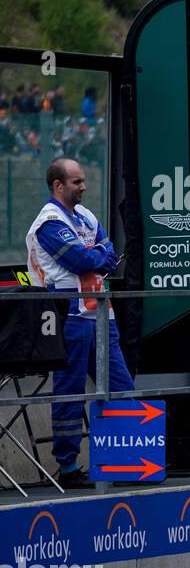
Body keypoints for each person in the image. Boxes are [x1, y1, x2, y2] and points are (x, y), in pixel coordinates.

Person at [27, 159, 135, 489]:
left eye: (84, 181)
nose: (83, 187)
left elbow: (110, 253)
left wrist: (98, 256)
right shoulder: (48, 222)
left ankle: (127, 464)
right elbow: (83, 260)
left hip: (103, 315)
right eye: (77, 182)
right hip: (70, 317)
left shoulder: (86, 216)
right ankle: (69, 467)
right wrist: (98, 256)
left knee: (122, 388)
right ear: (58, 185)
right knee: (70, 394)